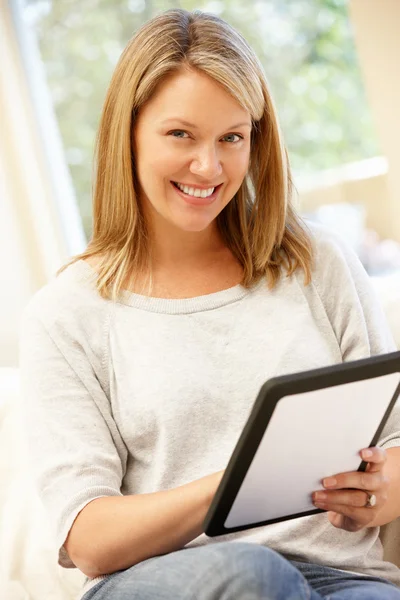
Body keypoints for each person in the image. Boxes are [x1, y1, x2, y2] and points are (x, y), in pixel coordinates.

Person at [19, 8, 400, 600]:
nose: (209, 166)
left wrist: (380, 489)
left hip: (338, 580)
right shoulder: (68, 314)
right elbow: (88, 536)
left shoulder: (317, 262)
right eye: (180, 134)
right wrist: (243, 483)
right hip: (165, 579)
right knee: (253, 575)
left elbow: (394, 437)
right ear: (129, 134)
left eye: (232, 138)